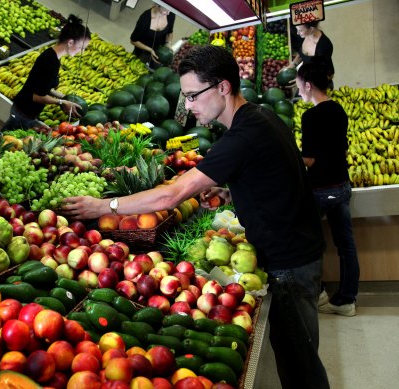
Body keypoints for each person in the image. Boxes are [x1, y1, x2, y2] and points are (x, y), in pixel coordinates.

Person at [62, 45, 330, 389]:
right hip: (299, 253)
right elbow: (278, 174)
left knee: (301, 368)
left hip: (289, 263)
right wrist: (232, 192)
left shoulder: (241, 138)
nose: (188, 106)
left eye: (192, 96)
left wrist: (104, 207)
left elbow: (172, 194)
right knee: (297, 356)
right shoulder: (262, 117)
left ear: (222, 87)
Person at [297, 59, 360, 317]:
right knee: (346, 245)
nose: (299, 91)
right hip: (342, 186)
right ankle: (346, 300)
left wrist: (289, 158)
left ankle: (318, 293)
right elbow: (342, 148)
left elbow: (309, 159)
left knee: (308, 242)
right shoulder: (339, 109)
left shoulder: (310, 116)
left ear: (309, 85)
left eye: (300, 86)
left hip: (321, 190)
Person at [0, 15, 90, 132]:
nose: (82, 52)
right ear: (70, 42)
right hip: (23, 111)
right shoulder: (50, 61)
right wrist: (62, 102)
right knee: (6, 138)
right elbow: (37, 96)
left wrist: (63, 97)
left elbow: (42, 87)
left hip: (27, 111)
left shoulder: (53, 56)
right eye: (81, 47)